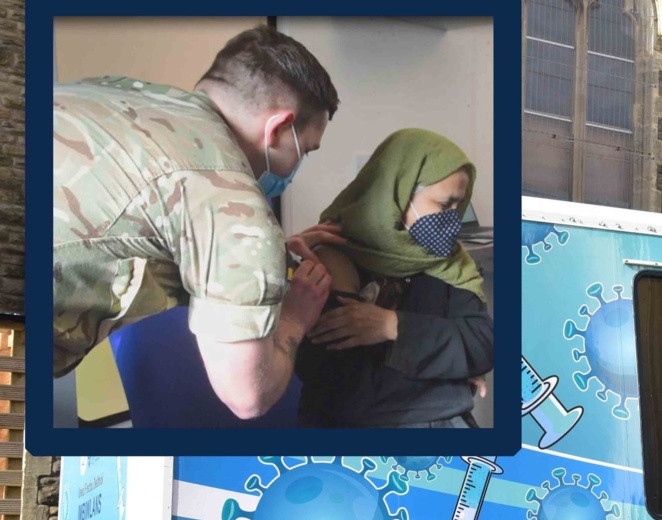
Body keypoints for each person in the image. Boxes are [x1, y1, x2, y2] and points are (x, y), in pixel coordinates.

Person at [53, 25, 345, 420]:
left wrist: (267, 251)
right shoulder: (232, 199)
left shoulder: (122, 93)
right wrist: (294, 318)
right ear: (277, 128)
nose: (299, 164)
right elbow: (247, 397)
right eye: (305, 149)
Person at [295, 129, 493, 428]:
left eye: (459, 205)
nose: (453, 217)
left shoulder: (449, 261)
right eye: (443, 205)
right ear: (399, 191)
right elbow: (347, 391)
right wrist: (455, 387)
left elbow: (483, 345)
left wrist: (392, 326)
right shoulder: (332, 253)